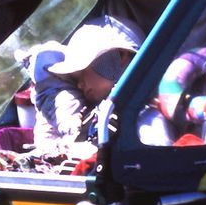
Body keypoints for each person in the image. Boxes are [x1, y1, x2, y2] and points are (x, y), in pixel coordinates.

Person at [21, 14, 144, 155]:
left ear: (118, 57)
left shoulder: (145, 112)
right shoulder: (78, 109)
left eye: (82, 71)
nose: (79, 85)